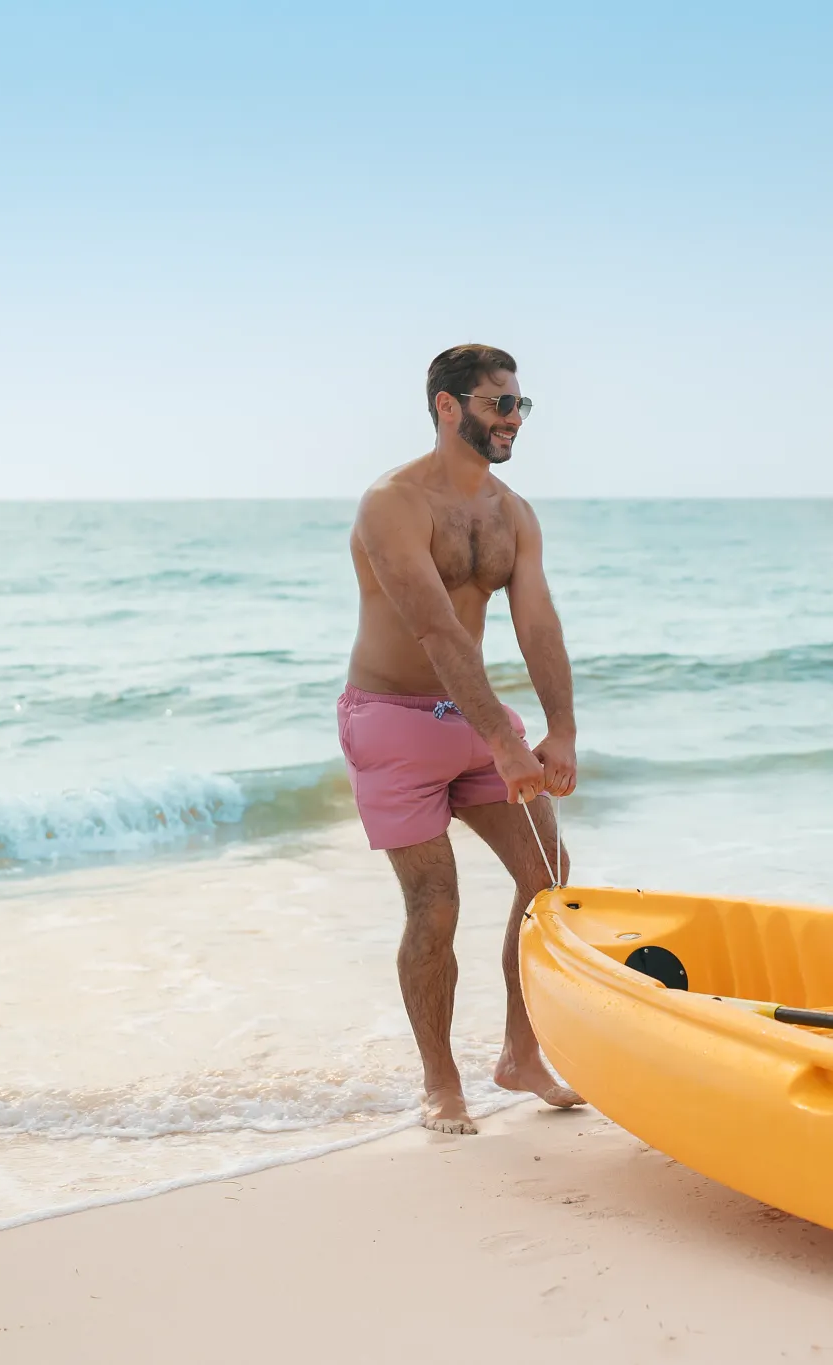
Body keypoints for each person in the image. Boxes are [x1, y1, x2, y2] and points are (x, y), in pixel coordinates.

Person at [340, 343, 583, 1132]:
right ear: (449, 407)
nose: (514, 418)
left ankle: (521, 1054)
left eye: (520, 404)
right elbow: (437, 629)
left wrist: (559, 729)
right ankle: (440, 1083)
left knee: (548, 875)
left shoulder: (513, 514)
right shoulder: (393, 504)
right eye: (499, 403)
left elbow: (537, 623)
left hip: (473, 715)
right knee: (435, 904)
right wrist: (503, 743)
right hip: (393, 722)